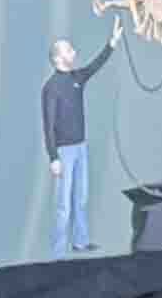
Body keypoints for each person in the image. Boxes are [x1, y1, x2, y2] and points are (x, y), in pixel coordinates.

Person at [41, 30, 118, 254]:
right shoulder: (51, 88)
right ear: (57, 58)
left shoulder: (77, 78)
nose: (73, 51)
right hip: (64, 152)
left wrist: (111, 44)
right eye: (68, 49)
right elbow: (48, 124)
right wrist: (53, 157)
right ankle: (58, 252)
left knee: (81, 199)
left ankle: (80, 242)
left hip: (81, 148)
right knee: (63, 206)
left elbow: (95, 66)